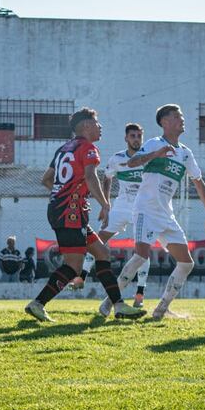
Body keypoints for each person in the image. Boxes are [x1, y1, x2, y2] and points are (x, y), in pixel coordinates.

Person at [24, 107, 145, 322]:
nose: (100, 128)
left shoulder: (63, 149)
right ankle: (38, 303)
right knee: (74, 267)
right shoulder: (88, 148)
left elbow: (46, 180)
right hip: (70, 213)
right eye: (97, 124)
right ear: (87, 126)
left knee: (102, 253)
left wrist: (64, 195)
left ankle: (119, 306)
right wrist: (105, 204)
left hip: (67, 210)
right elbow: (91, 176)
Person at [104, 104, 205, 320]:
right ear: (164, 122)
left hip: (166, 215)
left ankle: (162, 308)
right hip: (145, 211)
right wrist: (156, 154)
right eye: (177, 116)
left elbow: (199, 182)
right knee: (141, 256)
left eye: (182, 115)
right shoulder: (153, 143)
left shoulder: (185, 153)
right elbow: (132, 162)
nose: (182, 119)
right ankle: (110, 301)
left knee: (186, 263)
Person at [73, 123, 151, 311]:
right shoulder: (117, 159)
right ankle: (82, 276)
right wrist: (105, 206)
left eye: (139, 136)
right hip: (121, 207)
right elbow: (107, 179)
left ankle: (140, 293)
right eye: (132, 136)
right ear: (126, 138)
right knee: (98, 241)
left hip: (143, 210)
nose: (136, 139)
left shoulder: (148, 158)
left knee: (142, 250)